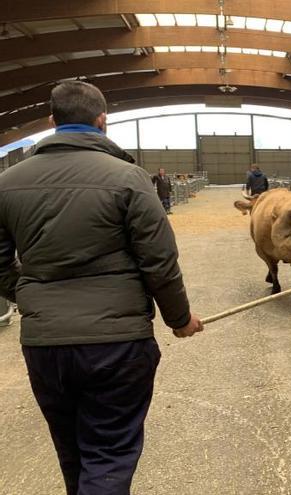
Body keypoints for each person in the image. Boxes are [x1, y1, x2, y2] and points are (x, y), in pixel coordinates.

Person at [0, 81, 203, 495]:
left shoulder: (8, 182)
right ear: (102, 121)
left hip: (44, 345)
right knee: (108, 456)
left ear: (52, 122)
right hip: (116, 344)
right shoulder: (128, 178)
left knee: (72, 453)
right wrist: (178, 319)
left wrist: (30, 297)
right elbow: (159, 260)